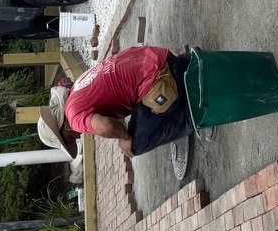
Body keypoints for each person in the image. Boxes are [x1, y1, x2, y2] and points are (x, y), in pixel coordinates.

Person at [36, 45, 193, 160]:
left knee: (136, 145)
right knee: (138, 110)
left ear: (64, 125)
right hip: (160, 57)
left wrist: (124, 137)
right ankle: (190, 63)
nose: (77, 138)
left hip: (160, 79)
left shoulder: (74, 118)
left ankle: (194, 115)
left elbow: (106, 126)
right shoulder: (75, 90)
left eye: (69, 138)